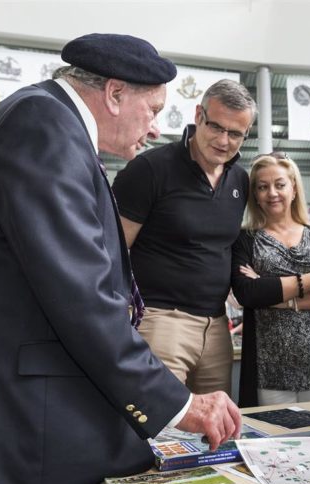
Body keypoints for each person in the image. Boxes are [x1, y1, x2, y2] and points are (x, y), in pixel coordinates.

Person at [0, 34, 242, 484]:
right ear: (114, 93)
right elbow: (80, 294)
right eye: (152, 109)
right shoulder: (42, 125)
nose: (153, 129)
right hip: (25, 408)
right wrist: (180, 403)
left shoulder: (46, 121)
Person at [112, 79, 256, 395]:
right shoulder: (150, 169)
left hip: (217, 327)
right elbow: (113, 250)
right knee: (159, 430)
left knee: (215, 432)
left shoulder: (240, 180)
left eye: (235, 134)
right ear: (198, 115)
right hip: (160, 321)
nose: (223, 140)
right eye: (216, 127)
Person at [231, 153, 310, 407]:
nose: (272, 193)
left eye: (280, 184)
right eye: (262, 187)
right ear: (255, 195)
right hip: (268, 366)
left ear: (294, 188)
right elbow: (248, 293)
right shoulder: (246, 240)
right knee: (273, 442)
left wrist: (273, 292)